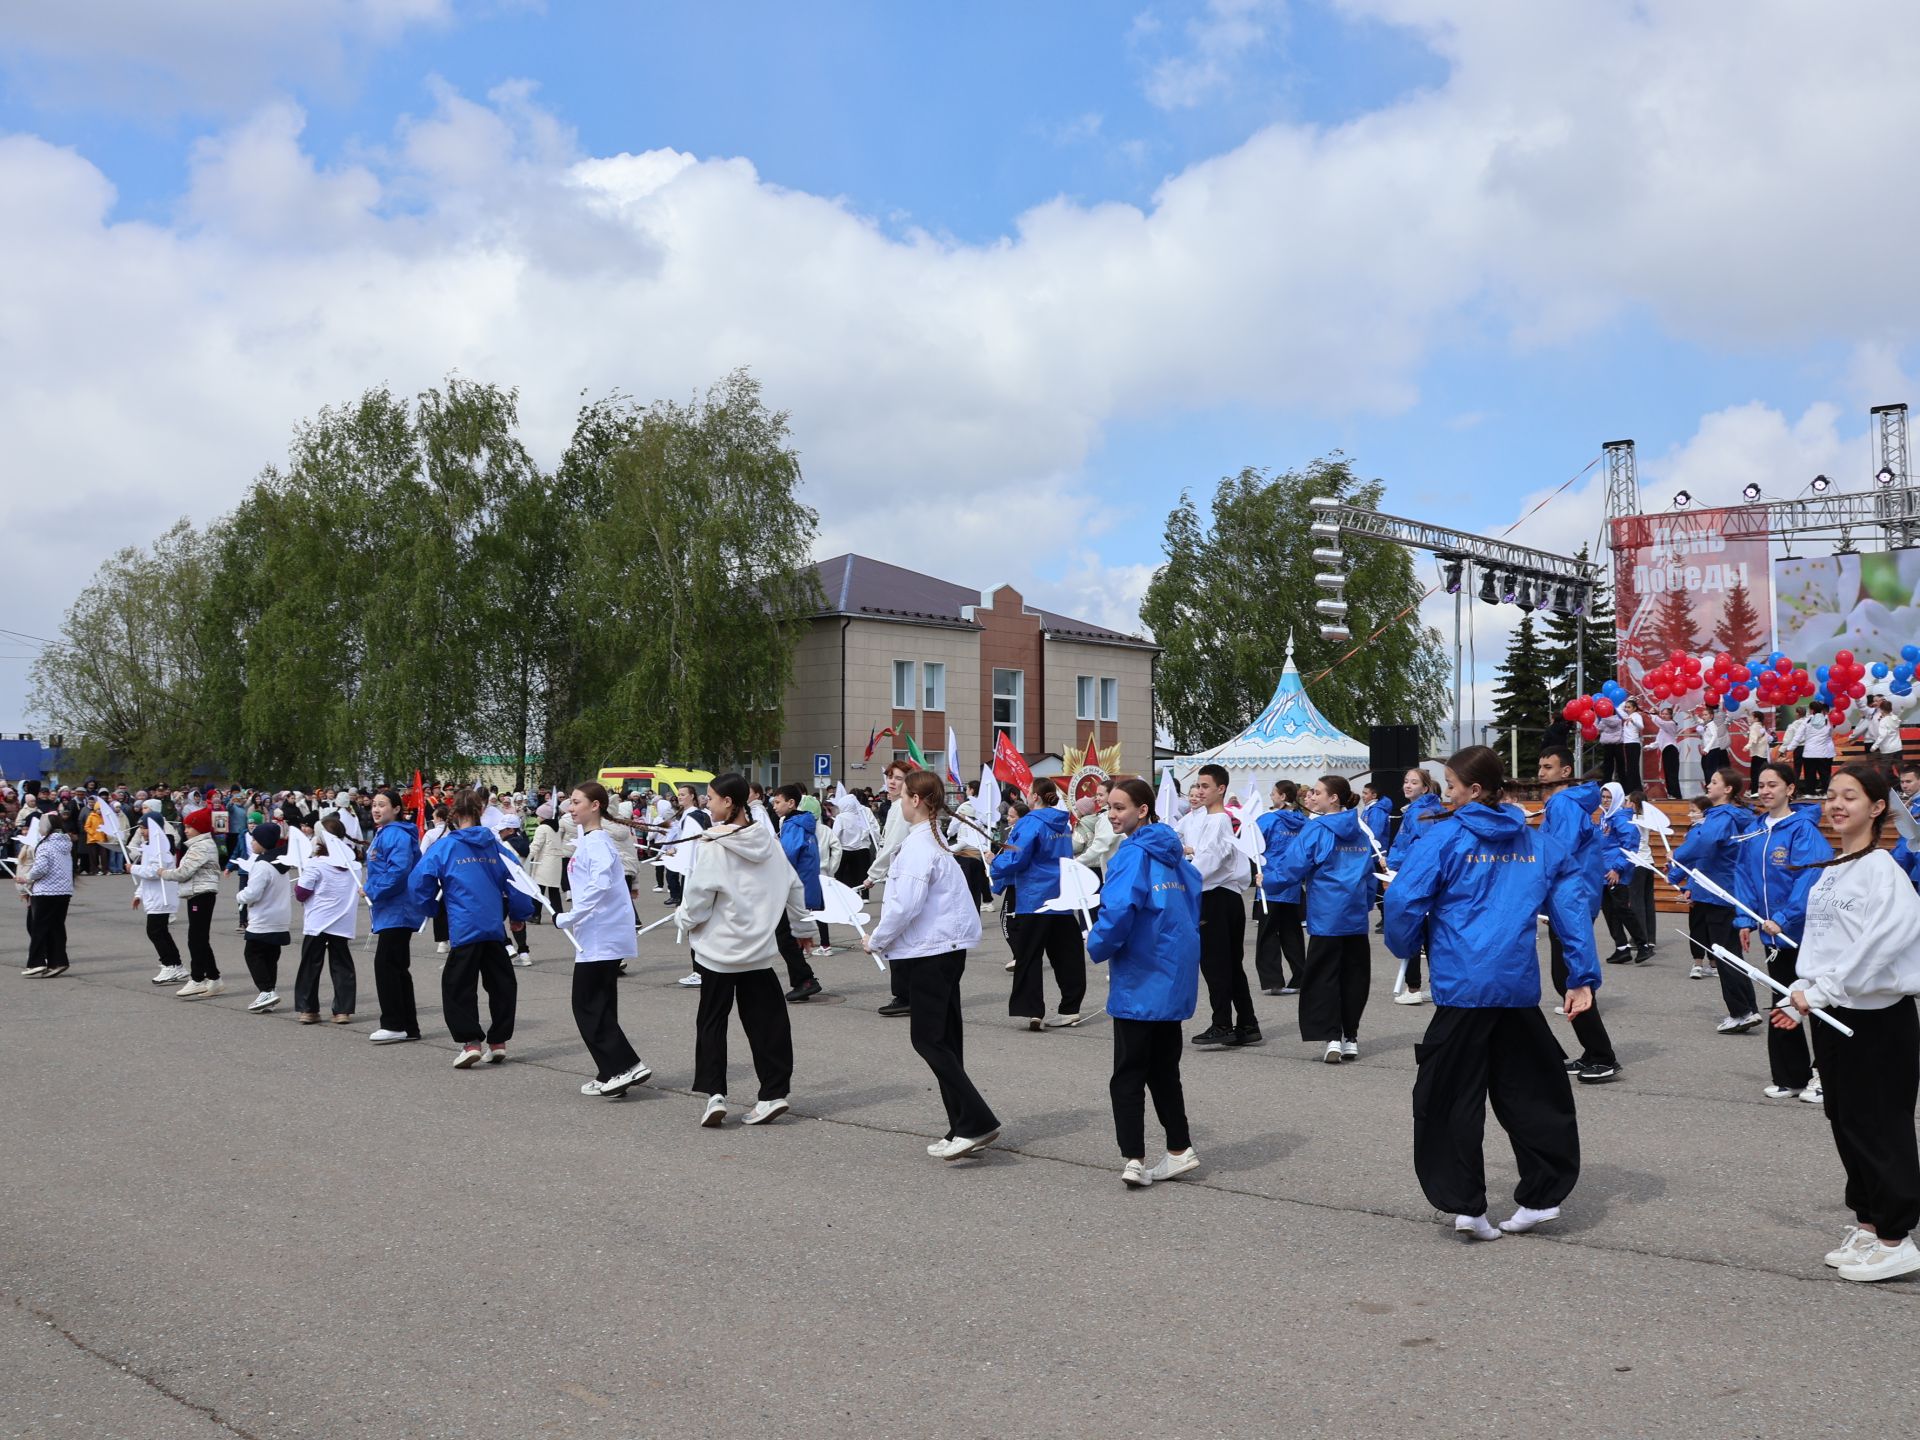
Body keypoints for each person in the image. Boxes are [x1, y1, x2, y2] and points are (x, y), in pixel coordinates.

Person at [1384, 745, 1592, 1241]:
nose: (1446, 794)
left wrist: (1407, 946)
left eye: (1451, 786)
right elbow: (1572, 906)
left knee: (1450, 1098)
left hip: (1464, 988)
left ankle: (1468, 1205)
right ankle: (1541, 1196)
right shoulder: (1536, 842)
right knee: (1533, 1094)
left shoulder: (1444, 838)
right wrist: (1581, 975)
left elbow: (1403, 899)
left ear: (1475, 790)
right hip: (1515, 986)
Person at [1770, 763, 1920, 1281]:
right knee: (1845, 1118)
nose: (1836, 805)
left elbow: (1879, 946)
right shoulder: (1832, 869)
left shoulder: (1883, 870)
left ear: (1877, 807)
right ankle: (1869, 1222)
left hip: (1876, 1019)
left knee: (1881, 1124)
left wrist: (1824, 991)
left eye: (1850, 797)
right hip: (1832, 1014)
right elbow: (1822, 947)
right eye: (1831, 795)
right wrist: (1801, 995)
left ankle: (1897, 1237)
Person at [865, 769, 998, 1158]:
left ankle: (976, 1122)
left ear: (917, 800)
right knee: (944, 1040)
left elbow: (905, 905)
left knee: (928, 1040)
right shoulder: (933, 841)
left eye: (903, 794)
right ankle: (960, 1125)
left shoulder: (920, 846)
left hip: (931, 952)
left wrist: (876, 940)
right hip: (943, 949)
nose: (899, 800)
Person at [675, 773, 811, 1127]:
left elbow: (698, 898)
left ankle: (715, 1094)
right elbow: (793, 884)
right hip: (759, 950)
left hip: (719, 951)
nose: (707, 803)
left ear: (729, 803)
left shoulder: (712, 845)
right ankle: (773, 1093)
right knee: (768, 1023)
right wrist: (803, 927)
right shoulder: (767, 840)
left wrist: (684, 920)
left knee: (712, 1022)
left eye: (711, 798)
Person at [1087, 776, 1203, 1189]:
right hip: (1172, 978)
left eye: (1120, 807)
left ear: (1143, 810)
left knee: (1129, 1072)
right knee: (1163, 1070)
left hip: (1140, 977)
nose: (1112, 814)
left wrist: (1095, 943)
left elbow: (1118, 911)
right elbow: (1191, 908)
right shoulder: (1175, 856)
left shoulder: (1132, 854)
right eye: (1109, 807)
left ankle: (1133, 1157)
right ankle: (1178, 1148)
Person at [407, 791, 533, 1066]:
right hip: (492, 927)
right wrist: (520, 913)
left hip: (464, 926)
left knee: (457, 985)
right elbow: (517, 878)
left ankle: (470, 1042)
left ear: (453, 815)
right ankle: (498, 1042)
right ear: (480, 812)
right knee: (501, 984)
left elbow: (419, 880)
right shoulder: (495, 845)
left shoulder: (445, 846)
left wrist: (428, 907)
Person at [1736, 760, 1833, 1103]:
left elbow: (1811, 877)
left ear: (1790, 789)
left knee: (1816, 1005)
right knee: (1782, 1002)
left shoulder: (1802, 829)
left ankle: (1826, 1077)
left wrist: (1784, 916)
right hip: (1772, 934)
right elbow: (1743, 876)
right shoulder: (1755, 828)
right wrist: (1744, 919)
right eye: (1761, 785)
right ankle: (1791, 1077)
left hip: (1804, 933)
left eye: (1772, 784)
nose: (1765, 790)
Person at [555, 783, 652, 1098]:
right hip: (597, 934)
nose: (571, 808)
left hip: (599, 936)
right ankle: (610, 1071)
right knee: (601, 1005)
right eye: (571, 802)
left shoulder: (597, 842)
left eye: (576, 802)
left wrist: (572, 915)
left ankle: (627, 1064)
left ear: (595, 805)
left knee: (586, 1006)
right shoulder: (589, 840)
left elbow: (599, 884)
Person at [1267, 773, 1372, 1063]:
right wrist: (1364, 905)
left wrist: (1267, 881)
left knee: (1324, 978)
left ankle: (1332, 1037)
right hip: (1354, 917)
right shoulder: (1359, 831)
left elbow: (1292, 866)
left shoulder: (1317, 830)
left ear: (1333, 797)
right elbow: (1369, 873)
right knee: (1354, 978)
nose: (1311, 796)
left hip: (1328, 915)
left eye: (1317, 791)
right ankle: (1350, 1036)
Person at [1536, 747, 1621, 1084]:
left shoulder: (1564, 803)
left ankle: (1603, 1055)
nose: (1541, 772)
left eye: (1549, 767)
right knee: (1566, 975)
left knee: (1571, 977)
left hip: (1572, 898)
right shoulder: (1565, 803)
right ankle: (1592, 1051)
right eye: (1540, 767)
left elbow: (1559, 851)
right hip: (1572, 896)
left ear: (1566, 770)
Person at [1666, 767, 1760, 1031]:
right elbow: (1707, 856)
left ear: (1727, 789)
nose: (1709, 785)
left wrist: (1678, 855)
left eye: (1715, 782)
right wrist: (1681, 875)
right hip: (1720, 890)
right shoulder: (1727, 815)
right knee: (1731, 955)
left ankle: (1741, 1011)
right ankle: (1748, 1009)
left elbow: (1704, 845)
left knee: (1725, 955)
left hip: (1720, 893)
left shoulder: (1723, 815)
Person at [991, 778, 1089, 1029]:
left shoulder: (1031, 822)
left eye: (1028, 792)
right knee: (1067, 954)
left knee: (1029, 955)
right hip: (1062, 895)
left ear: (1035, 797)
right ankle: (1070, 1007)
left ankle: (1034, 1010)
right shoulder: (1063, 822)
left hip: (1034, 896)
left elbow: (1017, 856)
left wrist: (995, 864)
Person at [1175, 763, 1259, 1049]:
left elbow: (1208, 863)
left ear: (1220, 789)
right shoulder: (1204, 818)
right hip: (1222, 897)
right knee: (1231, 965)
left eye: (1205, 786)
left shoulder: (1219, 820)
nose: (1199, 791)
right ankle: (1247, 1024)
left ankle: (1222, 1023)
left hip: (1216, 898)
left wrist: (1182, 877)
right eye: (1197, 785)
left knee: (1216, 965)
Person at [364, 788, 426, 1045]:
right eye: (374, 805)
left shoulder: (396, 835)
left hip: (397, 909)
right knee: (398, 968)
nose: (376, 809)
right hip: (392, 910)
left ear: (397, 809)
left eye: (383, 805)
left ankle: (393, 1023)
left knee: (387, 966)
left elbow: (399, 870)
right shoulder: (386, 833)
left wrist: (371, 890)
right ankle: (408, 1026)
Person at [293, 815, 359, 1025]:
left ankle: (308, 1009)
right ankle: (343, 1010)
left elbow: (302, 893)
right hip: (342, 921)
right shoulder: (353, 866)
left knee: (310, 965)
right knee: (342, 966)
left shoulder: (316, 864)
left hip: (317, 922)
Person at [1386, 768, 1444, 1004]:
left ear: (1425, 788)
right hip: (1419, 875)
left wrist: (1396, 864)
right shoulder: (1426, 810)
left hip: (1414, 877)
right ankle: (1435, 986)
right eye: (1406, 781)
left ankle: (1413, 987)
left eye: (1414, 782)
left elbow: (1420, 847)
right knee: (1430, 934)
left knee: (1410, 929)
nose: (1408, 785)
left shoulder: (1420, 812)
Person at [154, 807, 224, 999]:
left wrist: (163, 873)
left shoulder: (201, 846)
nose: (185, 830)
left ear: (199, 828)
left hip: (201, 893)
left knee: (196, 939)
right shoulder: (199, 845)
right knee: (200, 938)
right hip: (198, 893)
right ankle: (214, 978)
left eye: (189, 827)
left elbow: (184, 872)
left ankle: (197, 979)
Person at [863, 762, 915, 1016]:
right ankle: (910, 994)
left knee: (897, 936)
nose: (892, 782)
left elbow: (891, 845)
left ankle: (904, 995)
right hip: (901, 875)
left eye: (898, 778)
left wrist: (873, 875)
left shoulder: (898, 808)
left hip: (900, 877)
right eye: (890, 777)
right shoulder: (898, 806)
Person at [770, 783, 825, 1001]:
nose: (774, 806)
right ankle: (802, 980)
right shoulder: (804, 823)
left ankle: (805, 980)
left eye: (777, 802)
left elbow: (787, 856)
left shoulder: (793, 825)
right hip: (804, 885)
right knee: (788, 935)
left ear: (791, 803)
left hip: (793, 888)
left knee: (785, 936)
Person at [1254, 780, 1307, 997]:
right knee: (1292, 933)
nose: (1272, 797)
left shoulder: (1268, 820)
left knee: (1267, 935)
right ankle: (1300, 976)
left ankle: (1272, 980)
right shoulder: (1303, 821)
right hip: (1292, 885)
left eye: (1274, 793)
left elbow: (1254, 844)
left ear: (1283, 796)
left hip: (1270, 883)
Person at [235, 823, 292, 1013]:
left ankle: (266, 991)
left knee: (252, 953)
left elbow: (253, 893)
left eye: (255, 840)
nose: (252, 842)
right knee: (270, 957)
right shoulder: (281, 862)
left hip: (263, 918)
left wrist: (240, 896)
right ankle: (270, 991)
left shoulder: (261, 864)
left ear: (263, 842)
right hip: (280, 917)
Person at [1596, 783, 1654, 966]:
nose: (1605, 800)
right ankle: (1621, 948)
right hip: (1603, 872)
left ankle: (1643, 944)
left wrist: (1617, 869)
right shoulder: (1605, 817)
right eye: (1603, 797)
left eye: (1609, 797)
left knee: (1622, 909)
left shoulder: (1621, 818)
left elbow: (1630, 845)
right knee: (1609, 911)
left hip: (1616, 872)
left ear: (1618, 799)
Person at [129, 806, 187, 985]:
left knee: (155, 931)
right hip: (153, 895)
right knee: (160, 932)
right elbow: (147, 876)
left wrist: (133, 868)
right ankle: (176, 965)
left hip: (162, 896)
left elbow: (156, 871)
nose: (142, 832)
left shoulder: (162, 847)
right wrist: (138, 893)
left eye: (144, 828)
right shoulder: (150, 846)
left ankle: (169, 964)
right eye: (140, 828)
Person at [19, 812, 74, 978]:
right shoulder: (65, 843)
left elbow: (41, 868)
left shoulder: (45, 845)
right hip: (63, 891)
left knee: (39, 927)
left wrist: (27, 878)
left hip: (46, 891)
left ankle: (36, 962)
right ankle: (58, 961)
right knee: (57, 926)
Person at [1799, 701, 1835, 796]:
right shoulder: (1827, 721)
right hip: (1822, 753)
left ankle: (1810, 792)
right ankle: (1826, 792)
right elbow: (1830, 734)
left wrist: (1790, 747)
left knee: (1810, 774)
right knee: (1824, 773)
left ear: (1812, 710)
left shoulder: (1807, 721)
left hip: (1809, 753)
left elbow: (1798, 736)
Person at [1653, 705, 1684, 799]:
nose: (1664, 715)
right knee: (1667, 773)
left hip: (1671, 749)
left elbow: (1659, 722)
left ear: (1671, 716)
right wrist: (1649, 746)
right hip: (1666, 750)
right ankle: (1671, 793)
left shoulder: (1671, 723)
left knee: (1672, 773)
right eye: (1662, 713)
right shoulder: (1662, 727)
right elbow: (1659, 741)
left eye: (1666, 714)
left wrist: (1652, 714)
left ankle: (1676, 794)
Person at [1699, 705, 1732, 789]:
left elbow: (1713, 736)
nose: (1704, 716)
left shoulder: (1716, 718)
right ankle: (1713, 788)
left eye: (1705, 714)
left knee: (1713, 770)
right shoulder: (1709, 722)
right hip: (1716, 748)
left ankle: (1717, 788)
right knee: (1713, 770)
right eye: (1703, 714)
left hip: (1716, 748)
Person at [1620, 698, 1646, 792]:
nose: (1626, 709)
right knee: (1630, 767)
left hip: (1634, 743)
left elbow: (1641, 726)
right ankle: (1634, 788)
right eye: (1626, 707)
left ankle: (1635, 788)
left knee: (1633, 767)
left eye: (1629, 707)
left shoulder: (1636, 716)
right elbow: (1618, 709)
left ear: (1634, 708)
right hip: (1627, 743)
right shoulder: (1627, 716)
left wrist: (1633, 721)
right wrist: (1626, 701)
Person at [1747, 712, 1774, 792]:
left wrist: (1747, 746)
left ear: (1756, 719)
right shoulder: (1760, 727)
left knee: (1755, 773)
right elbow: (1770, 738)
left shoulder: (1755, 727)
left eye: (1751, 716)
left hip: (1758, 754)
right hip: (1762, 754)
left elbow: (1753, 739)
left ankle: (1755, 791)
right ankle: (1761, 790)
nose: (1749, 718)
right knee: (1764, 772)